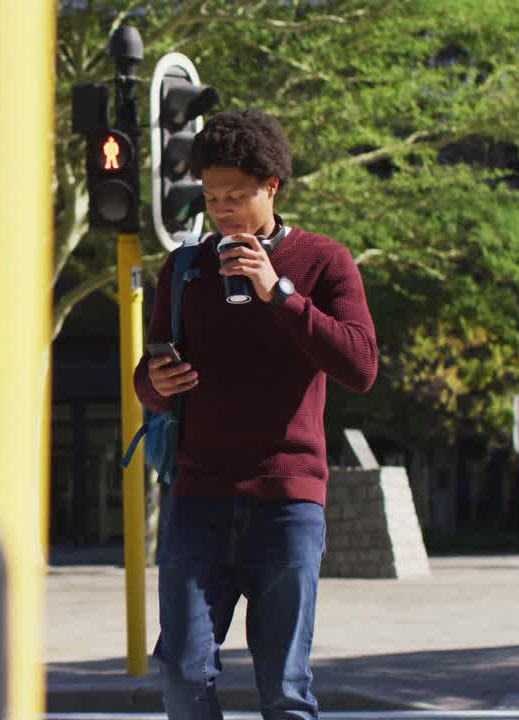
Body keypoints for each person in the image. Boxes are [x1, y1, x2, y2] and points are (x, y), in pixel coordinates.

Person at [134, 109, 378, 720]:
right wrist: (155, 381)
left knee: (285, 692)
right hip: (197, 499)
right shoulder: (184, 268)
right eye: (212, 196)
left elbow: (361, 365)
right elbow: (150, 377)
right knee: (181, 674)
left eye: (236, 195)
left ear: (272, 186)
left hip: (288, 503)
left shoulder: (324, 261)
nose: (221, 208)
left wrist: (282, 295)